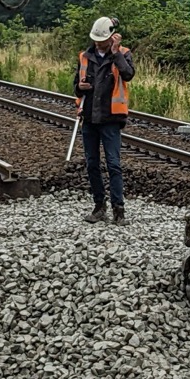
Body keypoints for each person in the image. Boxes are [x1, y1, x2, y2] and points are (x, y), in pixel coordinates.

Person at [74, 15, 135, 225]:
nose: (98, 43)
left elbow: (128, 75)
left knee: (113, 164)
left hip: (111, 118)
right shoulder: (85, 56)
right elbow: (76, 84)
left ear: (111, 37)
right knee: (92, 164)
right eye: (96, 40)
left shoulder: (123, 54)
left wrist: (116, 54)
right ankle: (99, 206)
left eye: (102, 40)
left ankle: (119, 210)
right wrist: (78, 88)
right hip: (89, 117)